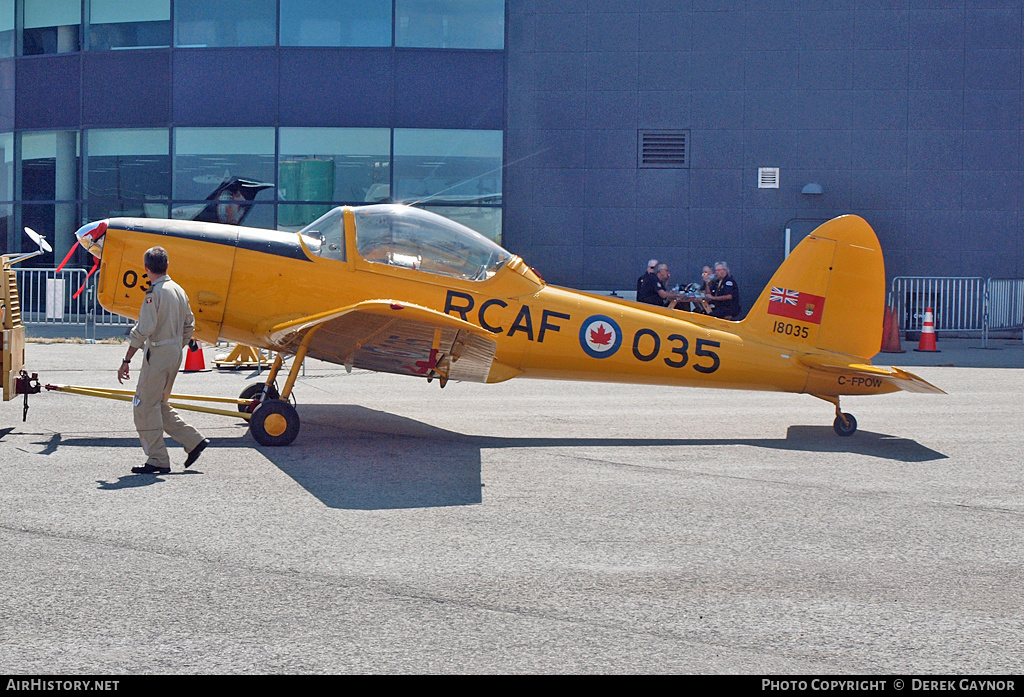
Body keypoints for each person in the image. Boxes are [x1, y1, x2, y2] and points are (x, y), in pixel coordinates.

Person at [117, 247, 210, 474]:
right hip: (174, 352)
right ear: (167, 266)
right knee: (158, 403)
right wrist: (177, 345)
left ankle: (158, 458)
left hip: (158, 353)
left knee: (144, 406)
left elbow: (144, 329)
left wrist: (126, 359)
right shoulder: (178, 290)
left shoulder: (154, 293)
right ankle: (193, 440)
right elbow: (190, 324)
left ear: (146, 269)